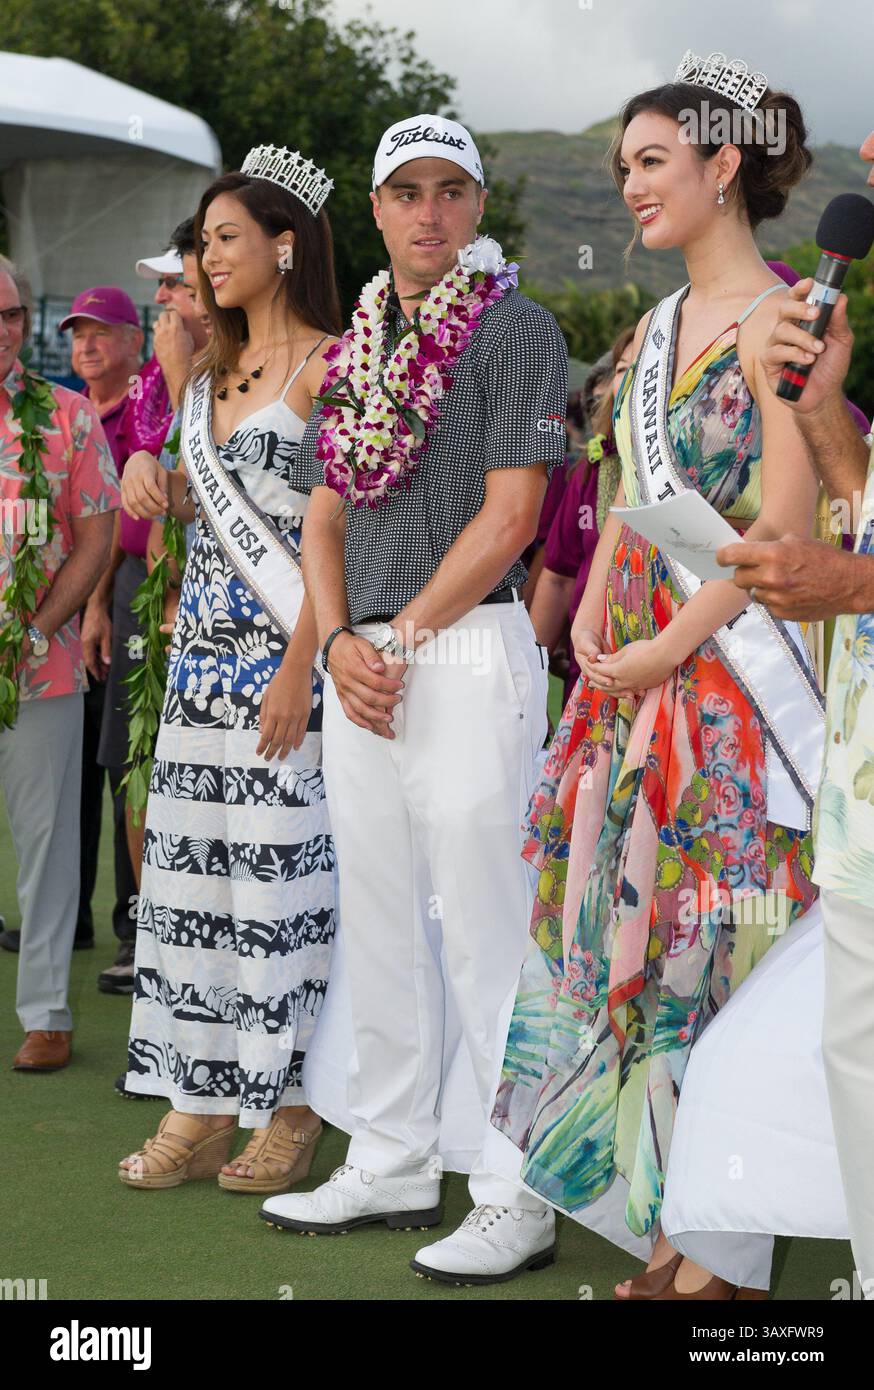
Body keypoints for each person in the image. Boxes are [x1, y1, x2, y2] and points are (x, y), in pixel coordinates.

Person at [487, 51, 826, 1299]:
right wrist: (587, 623)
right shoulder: (654, 327)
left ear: (722, 165)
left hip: (721, 691)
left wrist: (669, 648)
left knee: (702, 953)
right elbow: (629, 496)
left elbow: (783, 529)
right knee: (615, 935)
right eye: (621, 166)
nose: (629, 185)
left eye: (650, 161)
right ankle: (670, 1231)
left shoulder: (786, 319)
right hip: (625, 678)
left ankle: (717, 1256)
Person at [261, 115, 568, 1286]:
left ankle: (513, 1189)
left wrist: (397, 636)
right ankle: (391, 1156)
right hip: (367, 661)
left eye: (450, 190)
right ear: (378, 211)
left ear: (477, 206)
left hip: (466, 647)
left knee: (487, 930)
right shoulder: (355, 345)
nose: (428, 211)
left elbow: (513, 517)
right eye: (406, 191)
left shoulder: (517, 327)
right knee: (383, 920)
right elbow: (322, 515)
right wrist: (341, 638)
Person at [116, 144, 341, 1194]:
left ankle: (292, 1107)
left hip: (287, 670)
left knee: (280, 890)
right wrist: (148, 468)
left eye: (224, 239)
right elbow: (200, 510)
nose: (205, 260)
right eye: (201, 243)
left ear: (284, 246)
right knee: (194, 884)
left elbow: (342, 536)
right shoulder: (208, 376)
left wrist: (301, 663)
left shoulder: (335, 366)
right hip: (199, 670)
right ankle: (198, 1099)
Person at [714, 125, 874, 1297]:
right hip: (862, 793)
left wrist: (853, 584)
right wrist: (822, 410)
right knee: (855, 1061)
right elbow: (862, 496)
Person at [82, 231, 211, 997]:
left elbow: (197, 486)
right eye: (164, 286)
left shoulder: (222, 370)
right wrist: (102, 599)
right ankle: (148, 931)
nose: (161, 299)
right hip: (136, 584)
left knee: (195, 764)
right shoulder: (151, 382)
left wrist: (181, 371)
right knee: (138, 761)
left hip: (203, 590)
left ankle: (191, 933)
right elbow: (128, 503)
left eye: (177, 287)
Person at [0, 260, 119, 1070]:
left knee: (46, 847)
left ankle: (45, 1011)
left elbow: (98, 536)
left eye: (11, 315)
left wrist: (38, 630)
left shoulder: (68, 417)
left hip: (38, 669)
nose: (3, 330)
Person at [60, 288, 144, 977]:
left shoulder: (144, 408)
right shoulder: (61, 412)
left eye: (101, 332)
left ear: (133, 340)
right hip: (61, 609)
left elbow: (121, 521)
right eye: (77, 334)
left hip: (117, 602)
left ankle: (131, 922)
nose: (85, 346)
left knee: (123, 762)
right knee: (71, 766)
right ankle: (70, 916)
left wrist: (97, 604)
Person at [531, 330, 634, 705]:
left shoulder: (689, 475)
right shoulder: (591, 472)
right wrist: (530, 677)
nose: (627, 381)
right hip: (587, 673)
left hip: (658, 669)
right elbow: (558, 576)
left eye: (639, 368)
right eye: (622, 369)